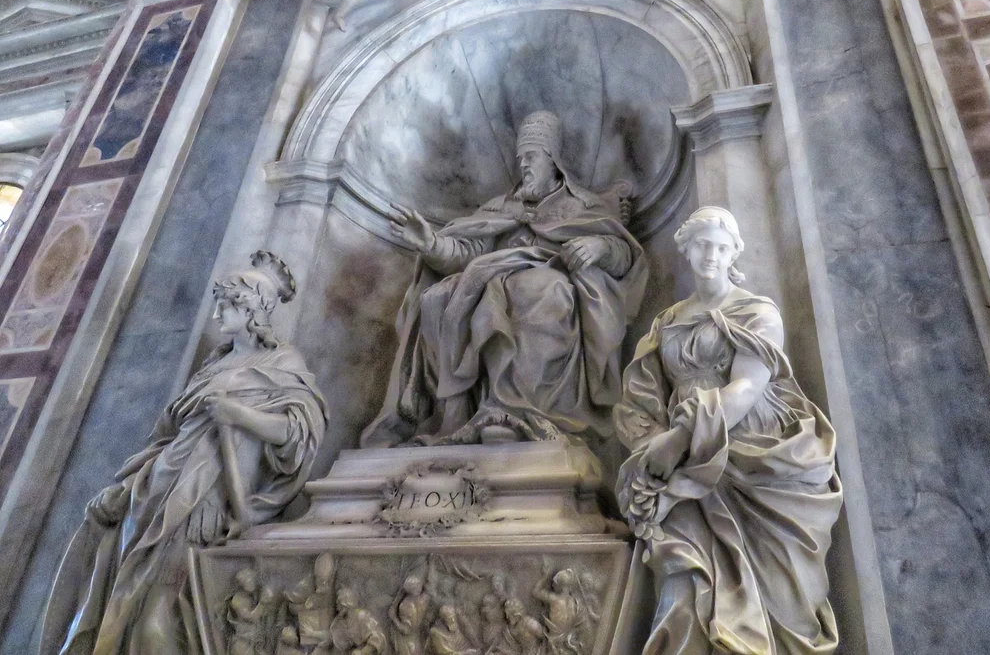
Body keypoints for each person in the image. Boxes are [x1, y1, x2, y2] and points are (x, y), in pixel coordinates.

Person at [40, 252, 329, 655]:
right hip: (156, 487)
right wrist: (125, 485)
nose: (216, 316)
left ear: (251, 310)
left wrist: (239, 414)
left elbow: (299, 433)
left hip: (206, 498)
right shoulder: (215, 363)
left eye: (226, 305)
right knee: (123, 597)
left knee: (156, 612)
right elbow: (167, 434)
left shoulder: (283, 363)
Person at [614, 207, 842, 655]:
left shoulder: (757, 312)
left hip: (752, 451)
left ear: (735, 251)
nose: (711, 255)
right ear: (686, 249)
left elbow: (745, 388)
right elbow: (641, 396)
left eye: (721, 246)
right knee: (683, 577)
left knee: (781, 587)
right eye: (702, 245)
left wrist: (678, 440)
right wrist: (650, 449)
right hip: (681, 469)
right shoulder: (666, 322)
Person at [362, 110, 647, 448]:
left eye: (531, 157)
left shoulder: (582, 205)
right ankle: (456, 411)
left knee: (540, 290)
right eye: (519, 159)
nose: (523, 165)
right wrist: (431, 243)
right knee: (436, 297)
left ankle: (518, 412)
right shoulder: (500, 208)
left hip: (548, 277)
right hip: (488, 275)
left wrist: (599, 245)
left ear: (553, 160)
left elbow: (624, 254)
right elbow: (466, 253)